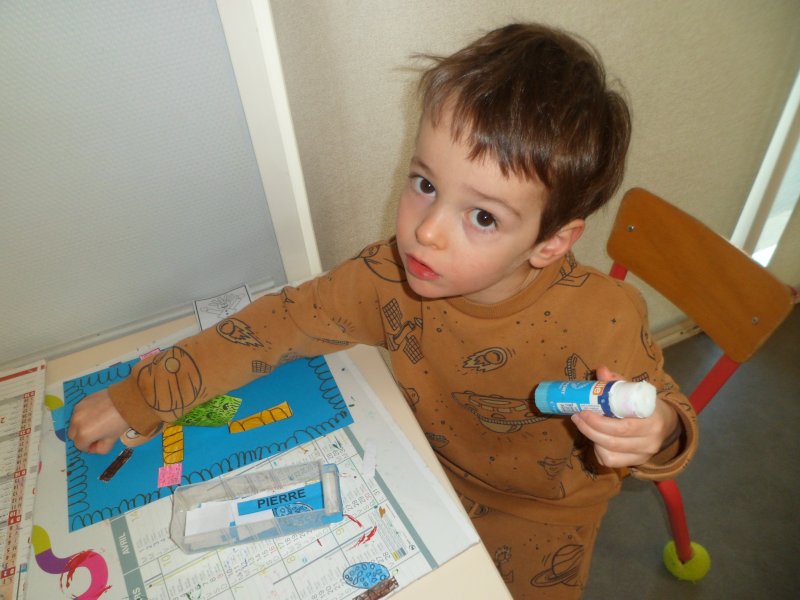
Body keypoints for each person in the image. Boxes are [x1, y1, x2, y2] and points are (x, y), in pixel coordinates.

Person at [68, 23, 698, 599]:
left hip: (542, 513)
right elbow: (285, 321)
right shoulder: (391, 274)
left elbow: (668, 417)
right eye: (425, 184)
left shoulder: (606, 314)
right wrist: (141, 396)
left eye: (482, 217)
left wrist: (657, 429)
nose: (426, 232)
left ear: (552, 242)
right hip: (420, 462)